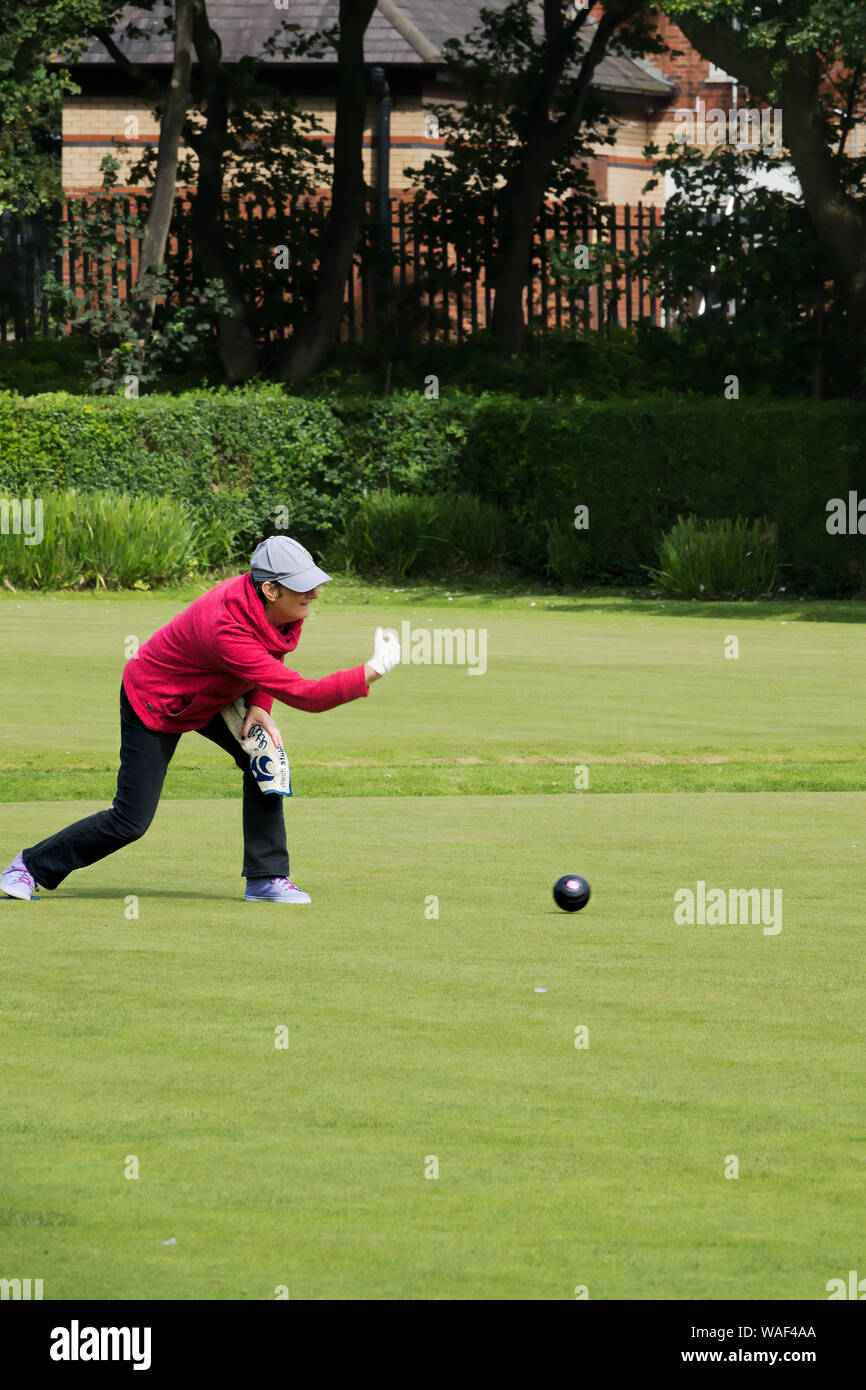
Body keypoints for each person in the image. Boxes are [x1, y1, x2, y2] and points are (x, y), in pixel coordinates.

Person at [1, 536, 400, 905]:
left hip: (215, 692)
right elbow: (305, 694)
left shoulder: (283, 610)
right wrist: (374, 670)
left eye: (313, 582)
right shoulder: (226, 627)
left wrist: (260, 703)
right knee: (129, 821)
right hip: (157, 700)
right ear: (270, 589)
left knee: (267, 763)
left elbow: (273, 653)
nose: (313, 593)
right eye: (302, 585)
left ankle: (266, 879)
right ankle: (28, 867)